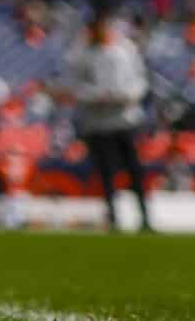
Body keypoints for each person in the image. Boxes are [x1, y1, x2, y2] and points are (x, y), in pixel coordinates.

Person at [64, 12, 153, 231]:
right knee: (106, 171)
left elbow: (140, 81)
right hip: (98, 121)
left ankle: (144, 217)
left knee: (134, 170)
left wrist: (127, 95)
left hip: (124, 118)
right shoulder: (82, 54)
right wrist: (97, 96)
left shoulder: (126, 50)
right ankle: (113, 217)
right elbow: (74, 87)